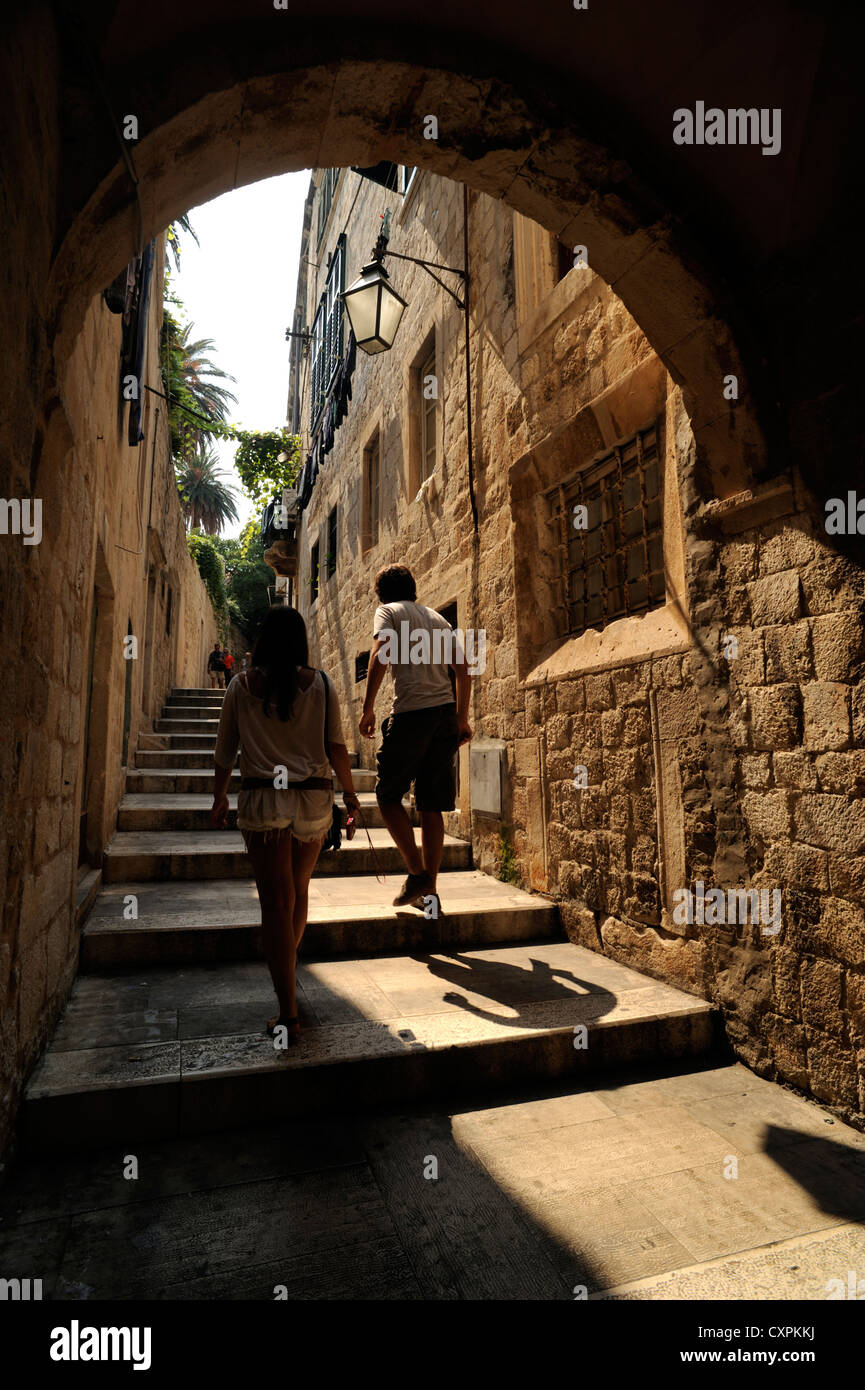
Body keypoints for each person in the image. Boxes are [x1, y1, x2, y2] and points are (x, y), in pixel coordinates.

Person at [210, 606, 360, 1040]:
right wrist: (350, 797)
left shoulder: (240, 686)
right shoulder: (322, 684)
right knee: (297, 893)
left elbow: (224, 754)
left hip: (263, 803)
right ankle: (286, 978)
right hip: (312, 801)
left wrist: (219, 798)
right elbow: (337, 748)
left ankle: (288, 1010)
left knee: (275, 904)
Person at [360, 565, 472, 916]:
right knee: (430, 804)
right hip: (443, 716)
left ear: (382, 594)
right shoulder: (438, 620)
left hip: (411, 714)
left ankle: (416, 873)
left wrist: (367, 709)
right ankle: (430, 897)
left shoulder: (388, 612)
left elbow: (381, 653)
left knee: (387, 795)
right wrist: (462, 717)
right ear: (414, 589)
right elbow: (464, 668)